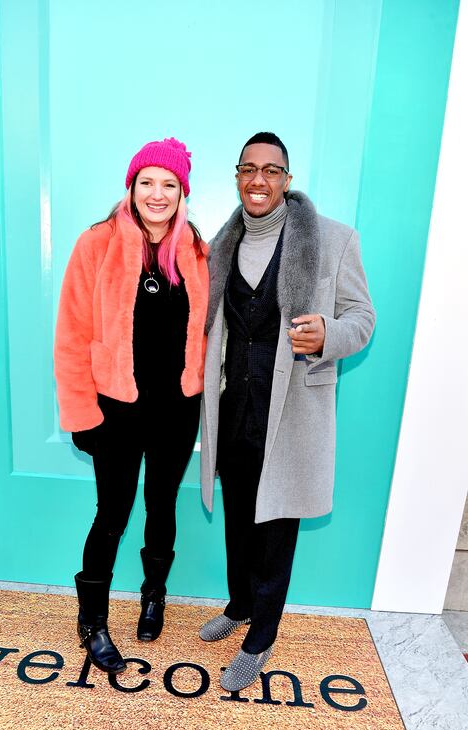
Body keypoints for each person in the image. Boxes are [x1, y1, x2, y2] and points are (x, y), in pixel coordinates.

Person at [200, 131, 375, 691]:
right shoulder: (220, 247)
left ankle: (260, 637)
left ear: (287, 178)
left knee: (276, 527)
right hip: (234, 409)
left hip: (291, 412)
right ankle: (240, 605)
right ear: (237, 176)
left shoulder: (334, 240)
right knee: (237, 518)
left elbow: (362, 318)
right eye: (248, 169)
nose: (258, 180)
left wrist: (328, 333)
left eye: (270, 171)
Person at [54, 138, 209, 675]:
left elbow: (207, 334)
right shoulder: (95, 244)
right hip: (114, 411)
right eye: (147, 182)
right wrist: (81, 414)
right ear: (132, 186)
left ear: (182, 192)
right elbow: (71, 335)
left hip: (175, 410)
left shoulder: (196, 250)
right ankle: (92, 622)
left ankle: (153, 595)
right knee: (112, 515)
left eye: (169, 184)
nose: (157, 194)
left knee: (162, 508)